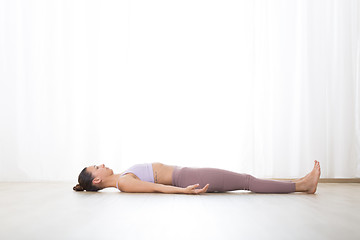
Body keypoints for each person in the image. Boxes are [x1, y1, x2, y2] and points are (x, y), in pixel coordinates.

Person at [73, 160, 321, 194]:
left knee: (246, 180)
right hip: (187, 178)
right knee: (247, 181)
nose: (102, 164)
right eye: (96, 167)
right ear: (96, 180)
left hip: (186, 174)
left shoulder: (122, 178)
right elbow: (158, 189)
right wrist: (186, 191)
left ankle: (300, 184)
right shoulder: (124, 182)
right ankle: (301, 185)